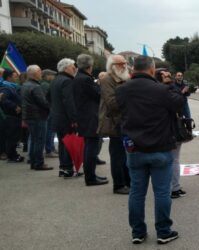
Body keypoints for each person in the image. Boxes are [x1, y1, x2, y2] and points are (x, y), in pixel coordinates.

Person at [116, 56, 185, 244]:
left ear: (133, 70)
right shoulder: (161, 90)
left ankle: (137, 232)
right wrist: (169, 83)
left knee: (137, 192)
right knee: (162, 192)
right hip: (160, 146)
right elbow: (178, 102)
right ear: (152, 70)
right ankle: (163, 231)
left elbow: (116, 112)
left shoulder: (122, 90)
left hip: (134, 147)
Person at [98, 55, 131, 194]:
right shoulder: (107, 79)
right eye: (120, 64)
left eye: (125, 63)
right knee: (118, 156)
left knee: (126, 154)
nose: (124, 66)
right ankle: (118, 184)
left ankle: (128, 182)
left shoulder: (124, 78)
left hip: (124, 121)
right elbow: (112, 103)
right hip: (114, 122)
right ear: (112, 66)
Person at [73, 54, 107, 186]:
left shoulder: (78, 77)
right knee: (91, 148)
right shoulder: (85, 79)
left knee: (89, 147)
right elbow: (97, 95)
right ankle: (90, 177)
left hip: (84, 116)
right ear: (89, 66)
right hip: (90, 117)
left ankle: (91, 175)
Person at [155, 69, 190, 199]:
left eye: (170, 75)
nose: (169, 77)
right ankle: (171, 188)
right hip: (166, 129)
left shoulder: (171, 88)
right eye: (165, 76)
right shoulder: (163, 90)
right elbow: (177, 102)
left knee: (174, 160)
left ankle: (175, 187)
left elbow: (181, 103)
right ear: (159, 79)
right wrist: (181, 93)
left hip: (174, 127)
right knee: (169, 160)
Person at [50, 58, 79, 178]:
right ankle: (67, 168)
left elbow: (49, 98)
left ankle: (63, 168)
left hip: (57, 116)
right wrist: (74, 119)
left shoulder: (55, 80)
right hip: (66, 118)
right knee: (68, 143)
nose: (75, 69)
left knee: (62, 144)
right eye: (73, 67)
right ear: (66, 68)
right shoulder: (67, 81)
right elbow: (69, 102)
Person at [21, 65, 52, 171]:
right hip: (38, 116)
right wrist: (51, 107)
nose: (41, 73)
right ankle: (39, 163)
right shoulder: (36, 86)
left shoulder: (25, 85)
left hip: (29, 116)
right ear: (34, 74)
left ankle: (34, 162)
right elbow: (43, 102)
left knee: (34, 139)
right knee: (39, 140)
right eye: (39, 71)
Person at [0, 69, 25, 163]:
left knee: (14, 136)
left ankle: (13, 154)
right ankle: (12, 156)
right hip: (11, 116)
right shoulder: (6, 88)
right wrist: (15, 106)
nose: (17, 77)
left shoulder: (11, 87)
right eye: (15, 76)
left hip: (13, 116)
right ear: (9, 77)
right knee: (12, 137)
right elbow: (3, 100)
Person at [42, 69, 58, 158]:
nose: (54, 77)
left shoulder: (46, 84)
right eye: (53, 75)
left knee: (51, 130)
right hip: (50, 109)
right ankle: (49, 149)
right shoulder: (45, 85)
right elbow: (47, 99)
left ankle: (51, 148)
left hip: (50, 109)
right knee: (50, 130)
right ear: (47, 75)